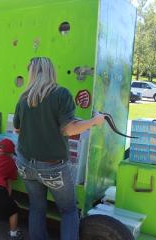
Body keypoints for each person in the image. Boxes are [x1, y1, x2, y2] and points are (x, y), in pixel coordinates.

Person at [13, 57, 106, 240]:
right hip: (53, 167)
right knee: (69, 211)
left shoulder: (23, 98)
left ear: (31, 73)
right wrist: (94, 122)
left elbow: (17, 128)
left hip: (25, 164)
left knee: (37, 207)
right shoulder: (61, 94)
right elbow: (69, 129)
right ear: (51, 71)